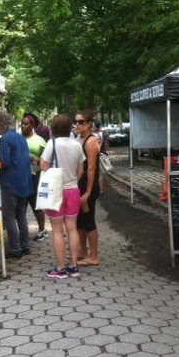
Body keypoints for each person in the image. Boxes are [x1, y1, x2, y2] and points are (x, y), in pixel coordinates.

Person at [40, 114, 86, 279]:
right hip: (73, 190)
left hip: (56, 192)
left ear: (53, 128)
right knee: (72, 228)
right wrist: (72, 181)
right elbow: (81, 170)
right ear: (69, 128)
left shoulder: (51, 144)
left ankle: (60, 268)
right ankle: (74, 266)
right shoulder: (77, 145)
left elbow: (43, 165)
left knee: (58, 230)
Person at [0, 111, 33, 258]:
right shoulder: (21, 137)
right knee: (21, 215)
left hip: (10, 181)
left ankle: (15, 249)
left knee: (9, 216)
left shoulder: (5, 139)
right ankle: (25, 246)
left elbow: (4, 162)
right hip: (23, 180)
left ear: (0, 125)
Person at [75, 110, 101, 266]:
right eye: (76, 121)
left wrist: (88, 191)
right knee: (80, 220)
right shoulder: (81, 139)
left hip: (88, 187)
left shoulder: (90, 142)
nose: (77, 124)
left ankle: (94, 256)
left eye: (81, 122)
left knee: (89, 219)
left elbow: (91, 168)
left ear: (89, 124)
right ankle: (83, 251)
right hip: (81, 186)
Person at [21, 112, 48, 242]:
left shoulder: (40, 141)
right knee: (22, 204)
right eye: (22, 124)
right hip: (20, 176)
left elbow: (46, 160)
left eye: (25, 124)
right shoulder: (18, 138)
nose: (22, 126)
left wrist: (36, 159)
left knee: (36, 204)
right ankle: (23, 231)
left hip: (34, 176)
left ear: (32, 125)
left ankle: (42, 229)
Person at [93, 121, 107, 195]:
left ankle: (95, 188)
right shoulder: (100, 134)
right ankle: (101, 189)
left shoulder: (92, 135)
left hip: (94, 154)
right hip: (100, 153)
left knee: (94, 172)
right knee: (101, 173)